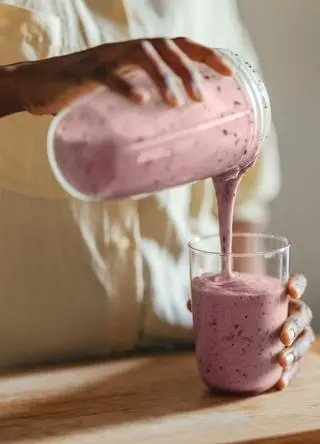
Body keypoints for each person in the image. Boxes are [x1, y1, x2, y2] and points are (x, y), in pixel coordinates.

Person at [0, 0, 314, 389]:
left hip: (179, 376)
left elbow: (246, 199)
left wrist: (263, 333)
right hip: (20, 385)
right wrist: (17, 82)